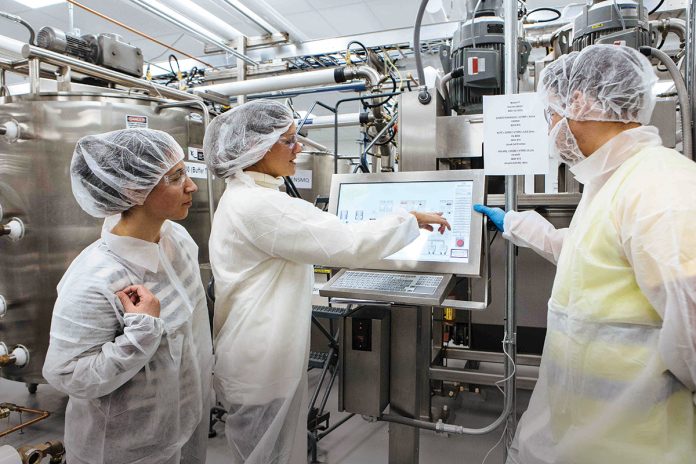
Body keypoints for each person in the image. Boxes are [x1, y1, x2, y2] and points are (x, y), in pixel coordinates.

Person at [477, 45, 696, 463]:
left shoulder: (662, 187)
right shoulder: (610, 182)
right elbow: (590, 259)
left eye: (550, 113)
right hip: (580, 431)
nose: (551, 128)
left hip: (636, 445)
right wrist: (517, 224)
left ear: (578, 101)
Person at [204, 99, 451, 464]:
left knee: (268, 452)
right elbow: (347, 241)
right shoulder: (260, 205)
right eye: (288, 141)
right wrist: (409, 219)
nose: (299, 148)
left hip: (255, 355)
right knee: (267, 456)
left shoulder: (246, 197)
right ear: (256, 148)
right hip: (262, 363)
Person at [42, 128, 213, 464]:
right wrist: (141, 334)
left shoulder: (175, 239)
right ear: (135, 189)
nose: (192, 186)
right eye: (177, 177)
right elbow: (68, 375)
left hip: (185, 426)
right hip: (124, 448)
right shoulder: (95, 278)